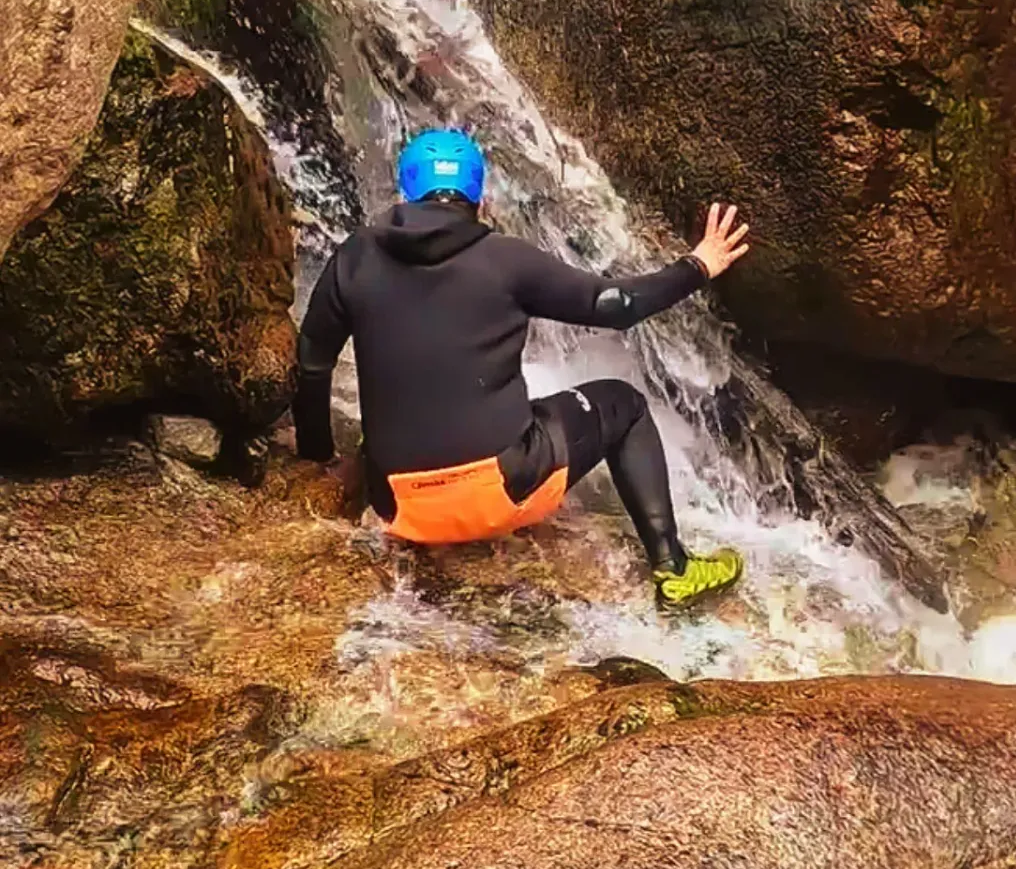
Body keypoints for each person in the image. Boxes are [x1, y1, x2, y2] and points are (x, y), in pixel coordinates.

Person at [293, 129, 751, 608]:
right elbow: (615, 305)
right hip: (500, 490)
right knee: (625, 404)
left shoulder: (355, 256)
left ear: (405, 193)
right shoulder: (507, 260)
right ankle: (674, 567)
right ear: (480, 197)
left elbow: (312, 362)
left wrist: (318, 455)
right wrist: (697, 265)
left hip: (398, 506)